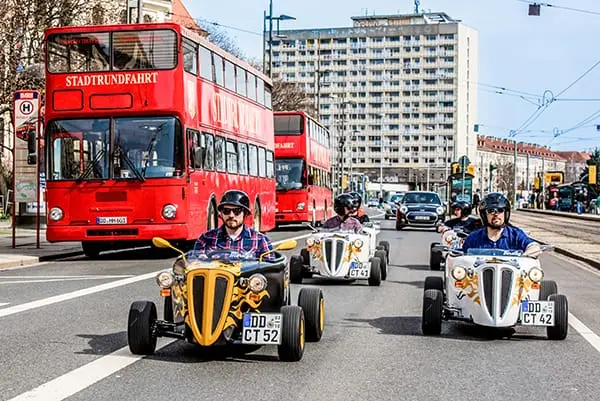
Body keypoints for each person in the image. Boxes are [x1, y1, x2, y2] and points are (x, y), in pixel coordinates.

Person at [193, 190, 275, 260]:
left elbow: (269, 273)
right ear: (221, 213)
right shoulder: (205, 239)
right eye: (226, 211)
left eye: (237, 211)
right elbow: (193, 266)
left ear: (245, 214)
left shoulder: (260, 240)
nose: (231, 215)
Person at [462, 192, 542, 257]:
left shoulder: (516, 235)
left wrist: (524, 256)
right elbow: (461, 256)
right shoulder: (473, 237)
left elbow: (533, 246)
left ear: (506, 213)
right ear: (484, 215)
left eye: (500, 210)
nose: (496, 214)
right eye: (491, 211)